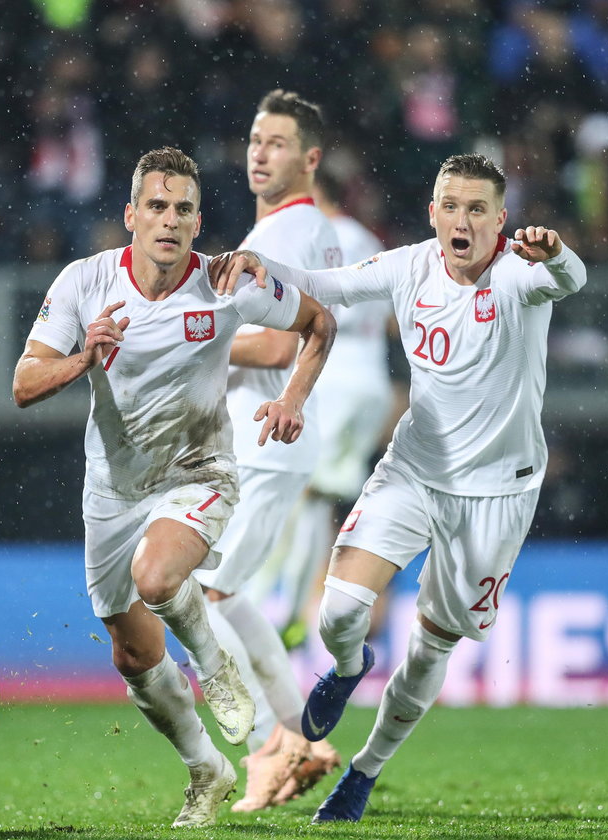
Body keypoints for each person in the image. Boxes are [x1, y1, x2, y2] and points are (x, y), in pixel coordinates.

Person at [210, 152, 587, 822]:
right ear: (434, 211)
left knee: (431, 647)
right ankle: (349, 667)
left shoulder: (520, 273)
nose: (463, 219)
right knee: (339, 613)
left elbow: (571, 277)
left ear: (500, 219)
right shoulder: (410, 265)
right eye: (452, 205)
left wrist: (557, 252)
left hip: (497, 495)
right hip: (414, 470)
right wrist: (262, 271)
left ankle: (364, 771)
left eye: (478, 209)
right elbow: (324, 283)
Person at [11, 147, 336, 828]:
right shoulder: (84, 281)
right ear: (131, 216)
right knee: (131, 654)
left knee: (158, 579)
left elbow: (318, 324)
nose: (169, 220)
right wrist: (81, 358)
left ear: (197, 223)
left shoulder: (228, 283)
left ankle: (215, 666)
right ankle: (205, 767)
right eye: (156, 207)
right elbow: (23, 384)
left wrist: (294, 400)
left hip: (198, 473)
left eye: (183, 209)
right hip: (112, 490)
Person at [191, 89, 342, 811]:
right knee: (228, 592)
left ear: (310, 158)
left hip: (266, 437)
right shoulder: (308, 231)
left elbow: (281, 341)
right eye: (255, 139)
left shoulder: (282, 237)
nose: (259, 152)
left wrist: (195, 346)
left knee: (200, 593)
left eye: (276, 142)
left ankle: (269, 748)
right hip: (271, 440)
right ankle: (300, 736)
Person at [266, 168, 393, 650]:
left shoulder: (320, 238)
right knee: (325, 503)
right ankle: (314, 608)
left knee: (302, 495)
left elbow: (301, 310)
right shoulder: (370, 242)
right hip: (371, 383)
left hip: (333, 380)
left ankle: (288, 610)